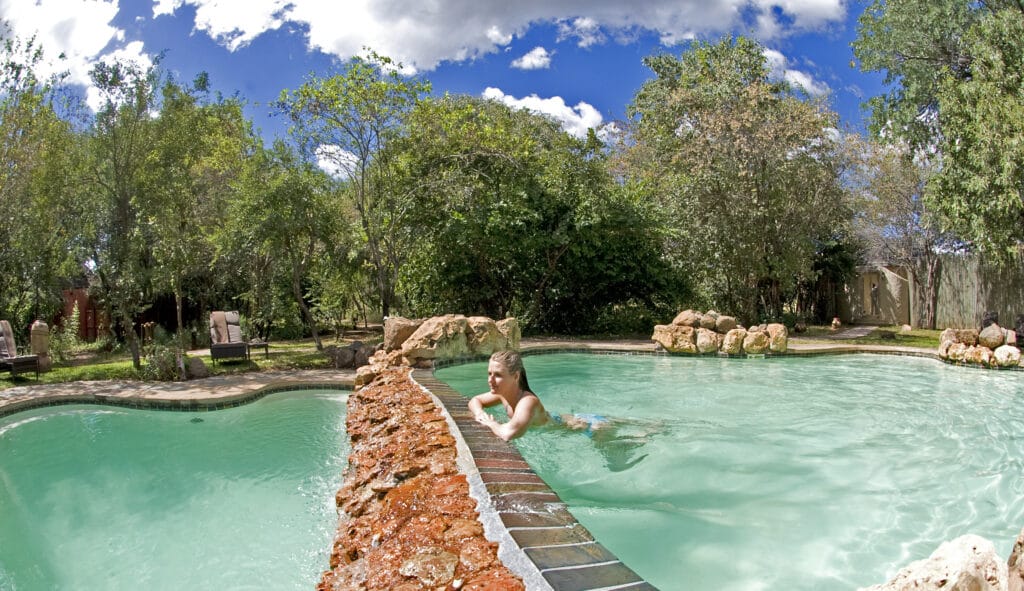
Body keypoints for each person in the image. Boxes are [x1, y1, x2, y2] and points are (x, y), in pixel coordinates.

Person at [469, 350, 551, 441]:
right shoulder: (502, 394)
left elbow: (507, 434)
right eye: (489, 373)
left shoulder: (528, 401)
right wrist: (479, 413)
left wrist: (491, 423)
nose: (490, 380)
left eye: (498, 375)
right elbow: (475, 400)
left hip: (558, 425)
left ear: (516, 376)